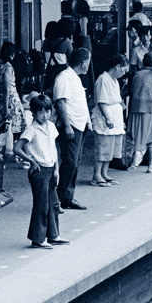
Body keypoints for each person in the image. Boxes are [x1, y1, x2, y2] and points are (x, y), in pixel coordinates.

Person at [14, 95, 69, 249]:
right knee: (41, 205)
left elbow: (53, 148)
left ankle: (53, 235)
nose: (45, 115)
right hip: (39, 170)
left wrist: (56, 169)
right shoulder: (31, 130)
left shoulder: (51, 126)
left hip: (51, 168)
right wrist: (31, 161)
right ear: (34, 113)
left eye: (47, 111)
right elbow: (16, 149)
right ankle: (37, 238)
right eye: (41, 112)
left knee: (54, 203)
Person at [53, 49, 91, 210]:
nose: (89, 64)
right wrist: (67, 125)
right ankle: (59, 198)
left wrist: (88, 121)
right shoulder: (64, 77)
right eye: (88, 61)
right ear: (83, 63)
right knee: (69, 162)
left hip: (80, 125)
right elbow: (61, 102)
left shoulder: (75, 78)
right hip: (71, 126)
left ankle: (68, 196)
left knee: (75, 162)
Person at [128, 53, 152, 173]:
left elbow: (131, 91)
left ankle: (132, 161)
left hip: (135, 108)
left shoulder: (136, 74)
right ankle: (150, 166)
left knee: (135, 137)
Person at [91, 55, 128, 186]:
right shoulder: (103, 79)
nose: (124, 74)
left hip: (115, 118)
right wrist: (108, 117)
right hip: (106, 117)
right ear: (117, 67)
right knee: (103, 146)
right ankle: (96, 175)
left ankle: (104, 173)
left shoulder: (115, 80)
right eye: (123, 70)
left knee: (111, 148)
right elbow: (102, 101)